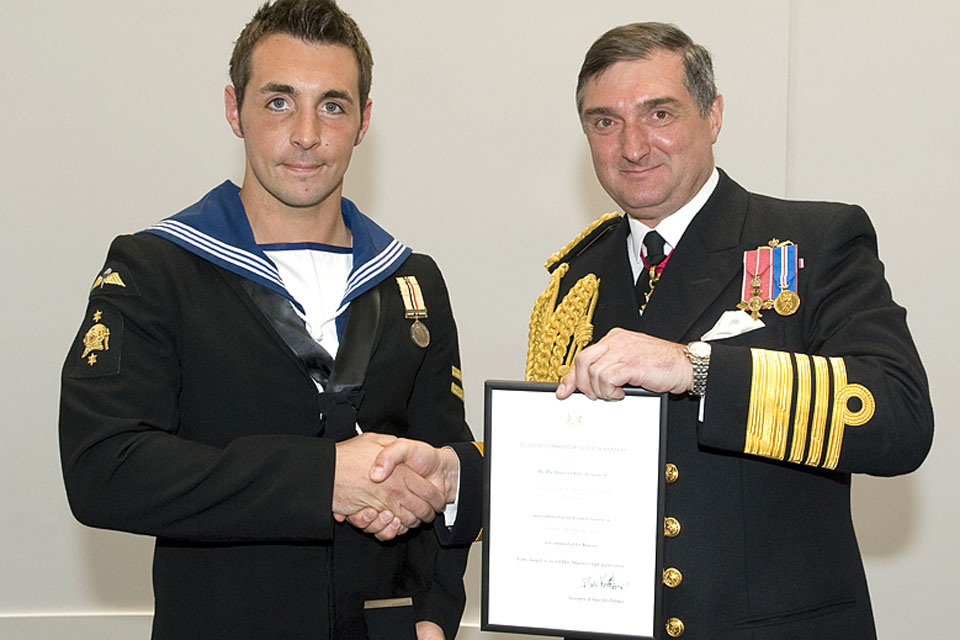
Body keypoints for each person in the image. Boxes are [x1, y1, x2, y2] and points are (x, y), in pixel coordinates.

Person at [361, 21, 934, 640]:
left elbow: (899, 419)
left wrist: (699, 369)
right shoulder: (572, 281)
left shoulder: (811, 243)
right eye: (604, 122)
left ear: (713, 115)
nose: (633, 146)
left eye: (659, 112)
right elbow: (560, 469)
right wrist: (454, 480)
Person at [58, 1, 472, 638]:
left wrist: (439, 614)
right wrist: (323, 479)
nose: (307, 134)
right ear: (234, 109)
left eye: (332, 105)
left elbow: (447, 460)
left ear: (363, 121)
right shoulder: (156, 270)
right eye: (279, 101)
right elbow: (103, 469)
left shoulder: (412, 280)